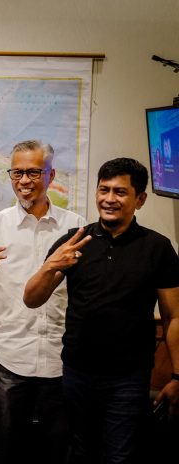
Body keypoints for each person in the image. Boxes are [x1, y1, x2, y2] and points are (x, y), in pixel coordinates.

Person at [24, 158, 179, 463]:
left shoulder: (157, 247)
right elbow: (32, 298)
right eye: (103, 190)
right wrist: (53, 264)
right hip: (76, 372)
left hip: (129, 377)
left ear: (140, 199)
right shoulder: (73, 241)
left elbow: (174, 316)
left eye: (120, 192)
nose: (109, 199)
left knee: (119, 457)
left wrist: (177, 376)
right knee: (80, 452)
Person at [0, 141, 85, 464]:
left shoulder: (76, 226)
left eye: (33, 172)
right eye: (17, 172)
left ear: (50, 174)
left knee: (59, 452)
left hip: (61, 360)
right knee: (11, 451)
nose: (24, 180)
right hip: (9, 361)